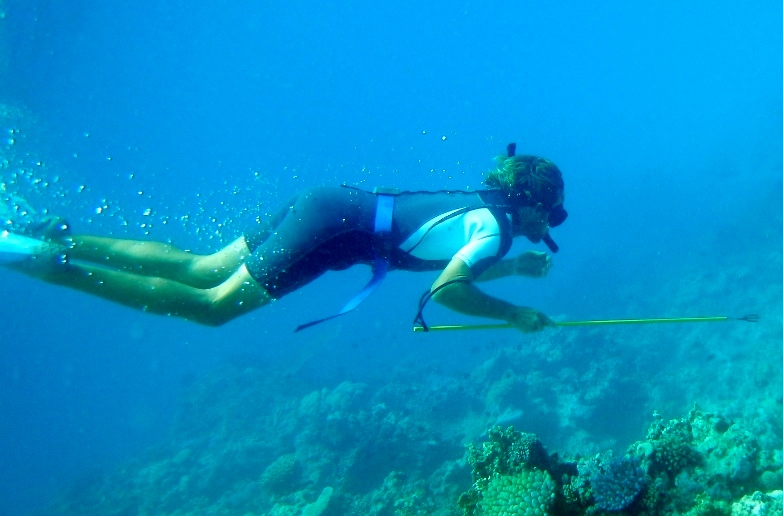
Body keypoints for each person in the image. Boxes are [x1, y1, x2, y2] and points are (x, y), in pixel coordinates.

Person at [1, 143, 567, 331]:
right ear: (535, 205)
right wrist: (513, 313)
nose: (547, 230)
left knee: (200, 268)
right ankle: (54, 265)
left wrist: (513, 272)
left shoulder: (483, 214)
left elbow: (449, 259)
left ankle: (61, 238)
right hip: (334, 231)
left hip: (328, 207)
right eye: (552, 215)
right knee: (212, 307)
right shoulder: (496, 230)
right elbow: (445, 290)